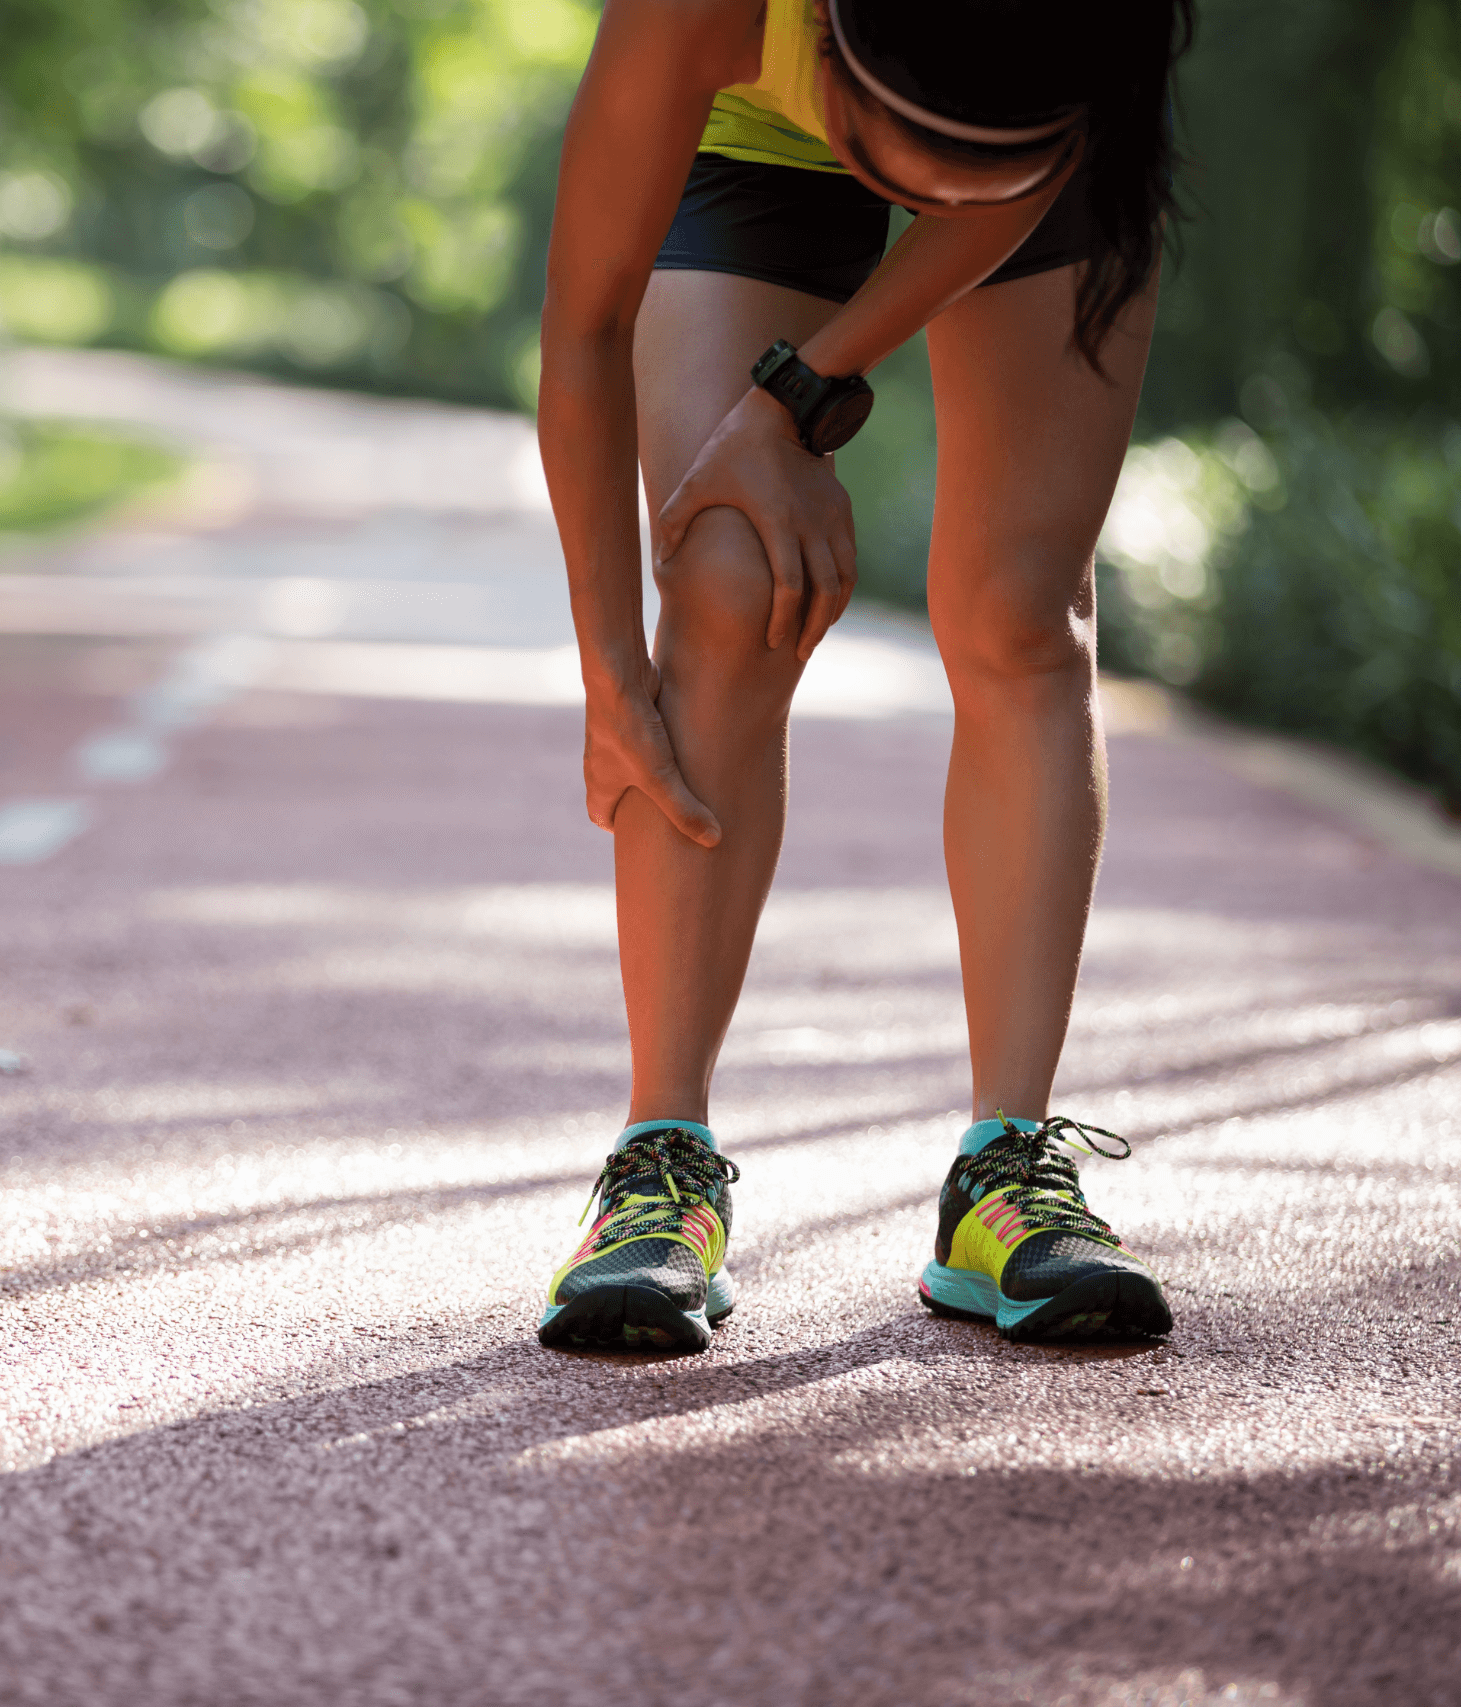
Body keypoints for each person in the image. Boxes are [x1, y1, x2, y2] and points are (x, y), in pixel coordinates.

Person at [534, 0, 1193, 1352]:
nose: (915, 202)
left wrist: (801, 393)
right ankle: (662, 1162)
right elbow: (585, 323)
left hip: (1046, 129)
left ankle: (1005, 1170)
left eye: (947, 179)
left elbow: (1007, 178)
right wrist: (610, 674)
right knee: (727, 578)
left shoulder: (1083, 47)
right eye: (898, 164)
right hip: (752, 137)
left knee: (1019, 613)